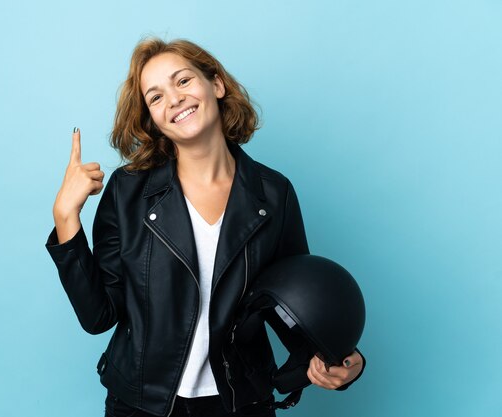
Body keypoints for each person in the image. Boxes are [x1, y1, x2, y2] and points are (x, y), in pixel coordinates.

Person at [45, 37, 365, 417]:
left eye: (182, 81)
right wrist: (66, 218)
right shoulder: (128, 191)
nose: (175, 99)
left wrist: (338, 356)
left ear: (216, 84)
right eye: (156, 97)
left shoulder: (274, 194)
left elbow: (291, 304)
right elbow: (99, 316)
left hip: (240, 403)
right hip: (141, 404)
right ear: (153, 120)